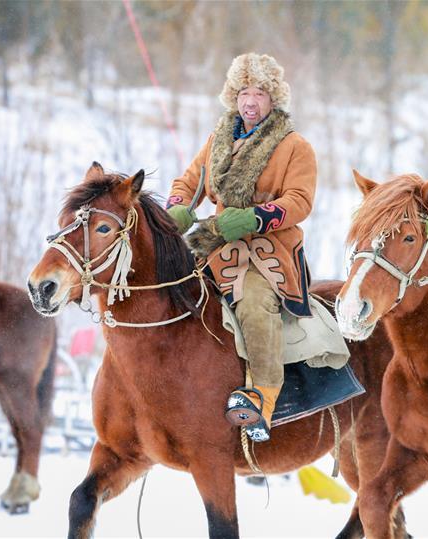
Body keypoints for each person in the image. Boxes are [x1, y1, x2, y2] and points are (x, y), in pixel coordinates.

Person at [167, 52, 316, 443]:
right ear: (233, 96)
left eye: (260, 93)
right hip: (216, 244)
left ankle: (263, 398)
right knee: (168, 287)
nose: (250, 101)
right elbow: (188, 182)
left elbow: (300, 200)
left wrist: (257, 217)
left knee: (252, 301)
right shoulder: (218, 139)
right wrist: (178, 208)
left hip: (267, 251)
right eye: (244, 92)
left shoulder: (294, 146)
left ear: (274, 99)